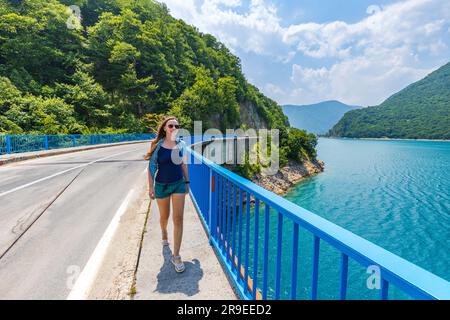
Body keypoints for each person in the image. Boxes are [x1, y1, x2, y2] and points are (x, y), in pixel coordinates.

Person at [144, 116, 189, 273]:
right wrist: (151, 187)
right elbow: (151, 168)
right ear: (164, 128)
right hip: (162, 186)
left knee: (178, 219)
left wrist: (187, 182)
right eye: (171, 126)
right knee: (165, 217)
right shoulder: (157, 146)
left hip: (178, 184)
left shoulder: (181, 144)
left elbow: (183, 164)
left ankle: (176, 255)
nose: (174, 128)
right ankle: (164, 233)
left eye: (177, 126)